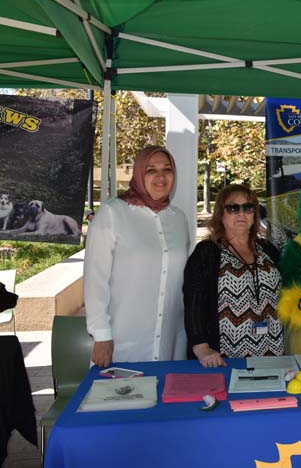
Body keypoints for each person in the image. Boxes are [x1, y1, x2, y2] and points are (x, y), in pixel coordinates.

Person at [84, 146, 190, 367]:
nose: (161, 177)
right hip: (123, 340)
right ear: (139, 174)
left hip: (171, 340)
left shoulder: (178, 219)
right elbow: (95, 279)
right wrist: (102, 335)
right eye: (151, 170)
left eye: (167, 169)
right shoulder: (113, 213)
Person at [183, 184, 283, 368]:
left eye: (248, 207)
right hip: (224, 357)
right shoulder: (207, 252)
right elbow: (193, 302)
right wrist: (201, 347)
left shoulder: (267, 249)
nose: (241, 213)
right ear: (221, 214)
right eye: (233, 208)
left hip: (273, 350)